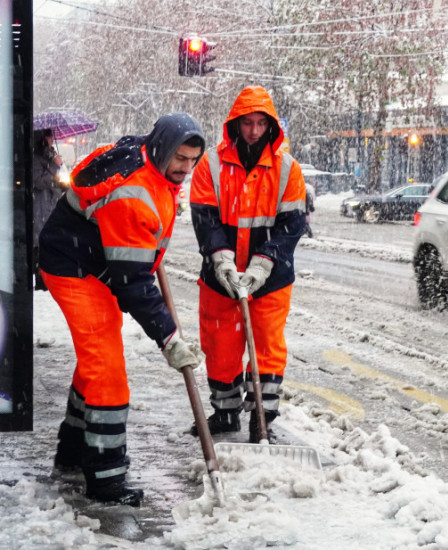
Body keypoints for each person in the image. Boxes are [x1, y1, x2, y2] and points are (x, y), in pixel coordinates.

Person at [38, 113, 206, 506]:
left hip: (92, 261)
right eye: (180, 158)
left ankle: (72, 453)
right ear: (163, 148)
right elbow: (133, 285)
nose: (186, 168)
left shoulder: (148, 159)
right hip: (75, 267)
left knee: (97, 359)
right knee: (108, 371)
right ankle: (106, 478)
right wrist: (169, 338)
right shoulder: (134, 192)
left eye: (193, 160)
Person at [189, 86, 306, 444]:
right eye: (248, 123)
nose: (254, 131)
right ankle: (225, 413)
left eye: (260, 124)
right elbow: (205, 218)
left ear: (271, 126)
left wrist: (264, 262)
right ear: (235, 124)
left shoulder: (287, 169)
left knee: (268, 346)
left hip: (270, 279)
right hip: (219, 278)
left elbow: (291, 226)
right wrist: (222, 259)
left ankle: (262, 416)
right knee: (221, 345)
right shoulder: (210, 165)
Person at [32, 129, 64, 291]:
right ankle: (41, 281)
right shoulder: (36, 157)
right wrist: (54, 166)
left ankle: (47, 280)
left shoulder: (51, 155)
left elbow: (54, 180)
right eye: (50, 136)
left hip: (51, 204)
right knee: (41, 243)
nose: (53, 139)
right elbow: (38, 181)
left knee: (49, 243)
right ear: (42, 138)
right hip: (41, 206)